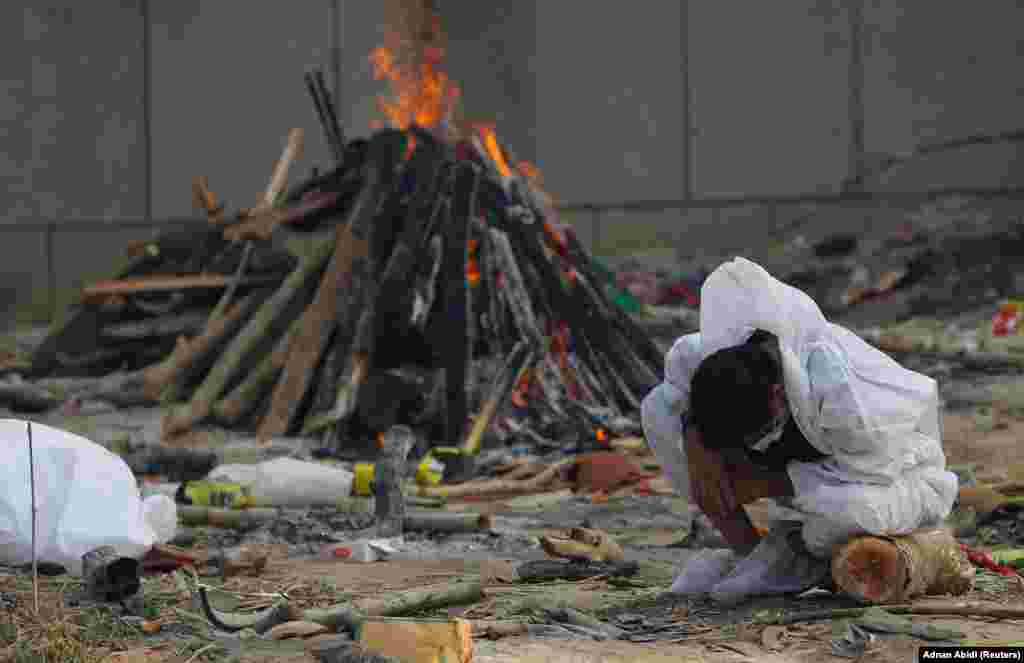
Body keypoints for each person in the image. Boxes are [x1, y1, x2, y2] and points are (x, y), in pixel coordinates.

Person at [641, 257, 958, 604]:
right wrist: (696, 444)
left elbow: (869, 474)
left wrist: (766, 481)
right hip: (809, 482)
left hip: (902, 481)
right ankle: (748, 551)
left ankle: (806, 562)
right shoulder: (722, 356)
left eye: (755, 438)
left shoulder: (845, 399)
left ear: (779, 397)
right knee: (659, 407)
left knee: (847, 514)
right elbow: (680, 380)